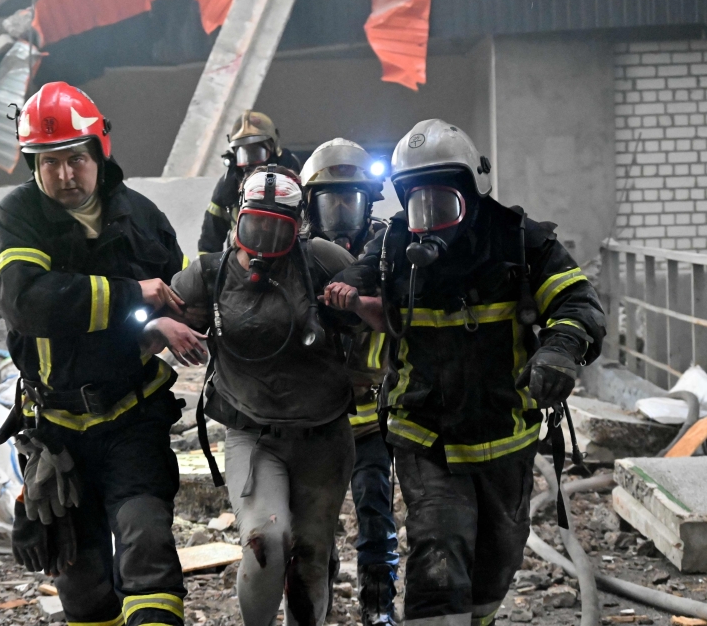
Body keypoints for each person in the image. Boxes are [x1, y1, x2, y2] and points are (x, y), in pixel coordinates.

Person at [322, 120, 606, 626]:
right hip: (423, 434)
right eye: (417, 203)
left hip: (505, 436)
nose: (428, 219)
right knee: (437, 551)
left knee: (496, 568)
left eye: (442, 203)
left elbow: (578, 301)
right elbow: (354, 277)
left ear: (472, 194)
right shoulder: (393, 248)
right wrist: (344, 294)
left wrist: (560, 349)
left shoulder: (520, 243)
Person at [0, 81, 205, 626]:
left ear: (98, 153)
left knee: (146, 545)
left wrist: (165, 318)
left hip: (133, 417)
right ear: (32, 164)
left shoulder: (142, 216)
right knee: (81, 584)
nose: (64, 175)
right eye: (49, 162)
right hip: (58, 428)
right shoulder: (19, 217)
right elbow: (29, 304)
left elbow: (181, 295)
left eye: (75, 160)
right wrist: (135, 297)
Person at [166, 166, 356, 625]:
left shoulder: (323, 262)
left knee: (312, 554)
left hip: (322, 432)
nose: (264, 241)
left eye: (279, 229)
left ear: (300, 227)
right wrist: (160, 323)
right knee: (265, 540)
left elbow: (382, 313)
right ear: (237, 220)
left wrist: (358, 306)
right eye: (256, 225)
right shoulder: (210, 274)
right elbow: (146, 322)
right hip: (253, 434)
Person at [300, 139, 398, 626]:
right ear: (311, 205)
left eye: (350, 199)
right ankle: (316, 606)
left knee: (375, 512)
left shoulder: (389, 252)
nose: (340, 211)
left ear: (368, 201)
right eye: (330, 200)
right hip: (314, 419)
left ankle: (378, 605)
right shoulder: (295, 255)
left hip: (370, 418)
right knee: (313, 524)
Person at [198, 110, 302, 254]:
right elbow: (209, 240)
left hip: (287, 256)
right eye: (243, 154)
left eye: (256, 152)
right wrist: (208, 271)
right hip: (242, 264)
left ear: (272, 149)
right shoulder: (227, 187)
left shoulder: (293, 180)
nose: (250, 164)